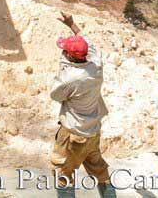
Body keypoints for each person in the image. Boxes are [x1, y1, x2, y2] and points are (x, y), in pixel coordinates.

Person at [50, 12, 115, 198]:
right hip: (92, 132)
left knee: (62, 175)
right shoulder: (96, 65)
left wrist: (63, 67)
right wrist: (72, 25)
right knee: (100, 171)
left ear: (69, 56)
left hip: (73, 134)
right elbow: (88, 43)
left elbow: (55, 95)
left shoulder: (70, 78)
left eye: (65, 51)